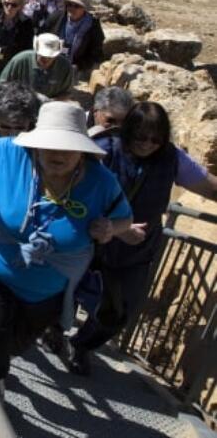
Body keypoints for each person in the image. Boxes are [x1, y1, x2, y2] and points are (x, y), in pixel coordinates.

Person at [0, 101, 133, 381]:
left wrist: (111, 228)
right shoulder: (11, 153)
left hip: (47, 290)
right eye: (50, 144)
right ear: (36, 143)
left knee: (11, 346)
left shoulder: (102, 182)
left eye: (68, 148)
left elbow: (125, 217)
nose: (57, 154)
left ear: (83, 151)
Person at [68, 102, 217, 375]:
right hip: (89, 236)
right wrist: (114, 228)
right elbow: (71, 183)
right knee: (62, 290)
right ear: (128, 130)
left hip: (136, 249)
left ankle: (81, 345)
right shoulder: (106, 148)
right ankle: (50, 329)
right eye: (141, 137)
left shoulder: (172, 158)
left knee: (120, 308)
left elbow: (207, 186)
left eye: (156, 139)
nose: (148, 144)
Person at [0, 33, 75, 99]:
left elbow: (67, 93)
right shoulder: (20, 60)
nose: (46, 59)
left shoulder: (65, 67)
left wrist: (49, 102)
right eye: (43, 56)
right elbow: (3, 84)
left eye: (50, 57)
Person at [48, 0, 105, 75]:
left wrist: (80, 66)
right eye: (69, 5)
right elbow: (43, 35)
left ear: (84, 8)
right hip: (50, 60)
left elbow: (96, 52)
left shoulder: (93, 26)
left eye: (77, 6)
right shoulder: (57, 17)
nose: (72, 8)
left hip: (74, 66)